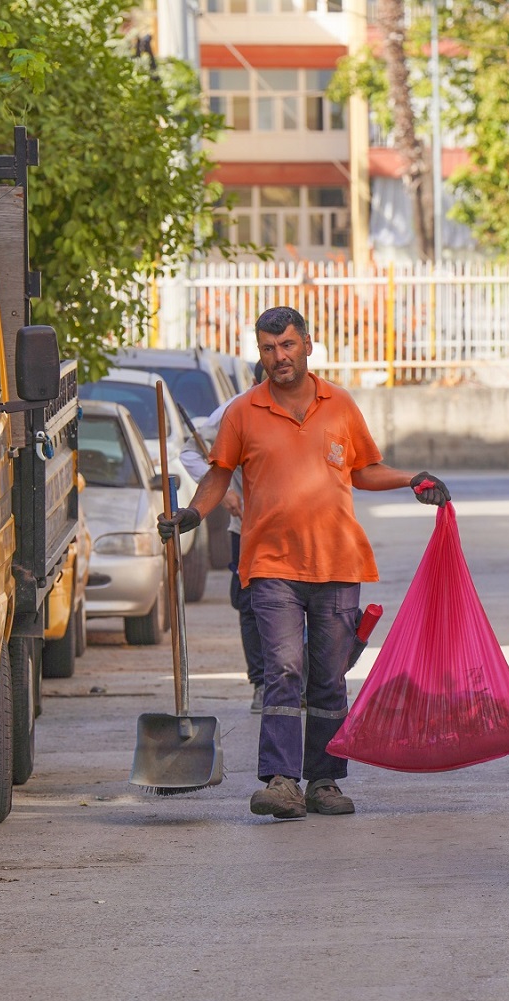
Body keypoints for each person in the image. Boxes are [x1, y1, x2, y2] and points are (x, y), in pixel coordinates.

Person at [159, 306, 451, 821]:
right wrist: (191, 514)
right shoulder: (243, 412)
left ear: (308, 345)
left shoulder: (339, 405)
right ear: (260, 352)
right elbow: (218, 474)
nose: (279, 357)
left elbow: (365, 470)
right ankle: (280, 781)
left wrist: (412, 480)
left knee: (329, 677)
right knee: (284, 669)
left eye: (288, 346)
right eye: (269, 349)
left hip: (338, 564)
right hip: (271, 564)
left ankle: (325, 781)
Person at [179, 397, 265, 712]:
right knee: (251, 606)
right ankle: (262, 682)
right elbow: (190, 453)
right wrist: (224, 490)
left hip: (302, 535)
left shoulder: (315, 407)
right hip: (247, 531)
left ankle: (304, 682)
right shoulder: (236, 411)